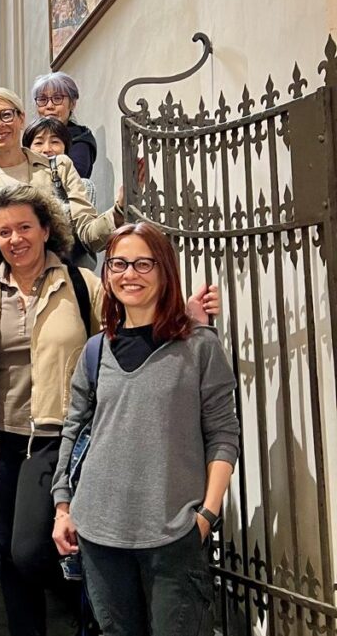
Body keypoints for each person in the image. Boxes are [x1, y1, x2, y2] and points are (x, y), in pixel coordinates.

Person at [0, 187, 219, 636]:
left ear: (46, 229)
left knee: (30, 551)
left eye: (24, 227)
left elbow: (129, 326)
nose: (15, 239)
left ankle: (88, 608)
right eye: (4, 232)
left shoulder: (80, 284)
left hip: (55, 438)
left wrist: (186, 317)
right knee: (10, 558)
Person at [51, 222, 238, 636]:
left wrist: (206, 514)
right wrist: (63, 507)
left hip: (174, 535)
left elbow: (223, 435)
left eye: (142, 264)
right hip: (100, 534)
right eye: (118, 264)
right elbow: (74, 429)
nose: (129, 274)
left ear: (164, 270)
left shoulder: (199, 346)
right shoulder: (96, 349)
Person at [0, 87, 120, 292]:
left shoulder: (58, 169)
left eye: (6, 115)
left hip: (56, 294)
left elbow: (89, 235)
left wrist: (119, 209)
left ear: (21, 118)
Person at [31, 72, 98, 178]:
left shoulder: (80, 139)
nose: (49, 106)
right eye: (42, 100)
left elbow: (73, 177)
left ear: (72, 103)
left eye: (57, 98)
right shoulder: (31, 136)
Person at [23, 116, 97, 206]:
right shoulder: (20, 184)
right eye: (39, 143)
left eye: (54, 142)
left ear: (66, 148)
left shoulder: (83, 187)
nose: (47, 149)